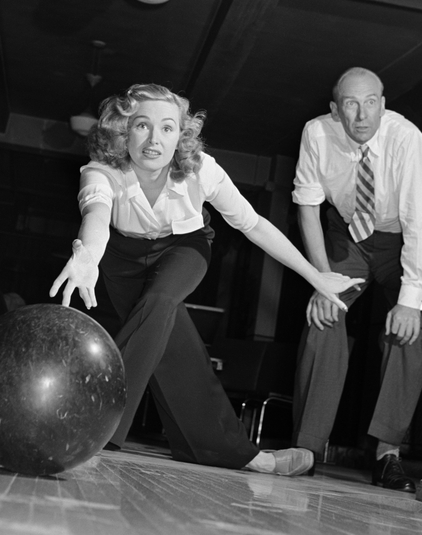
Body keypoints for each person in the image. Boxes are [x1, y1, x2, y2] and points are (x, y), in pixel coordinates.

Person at [50, 83, 363, 476]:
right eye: (142, 125)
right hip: (120, 260)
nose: (154, 139)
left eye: (167, 128)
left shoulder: (200, 169)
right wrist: (87, 255)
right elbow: (96, 216)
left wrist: (316, 276)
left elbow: (254, 225)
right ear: (122, 131)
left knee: (160, 301)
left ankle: (89, 425)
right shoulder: (101, 172)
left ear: (181, 134)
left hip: (185, 249)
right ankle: (235, 452)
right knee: (170, 342)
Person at [291, 67, 422, 492]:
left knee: (408, 331)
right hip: (347, 236)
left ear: (383, 104)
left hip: (402, 242)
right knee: (323, 316)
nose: (362, 115)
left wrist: (410, 300)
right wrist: (322, 281)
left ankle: (387, 454)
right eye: (351, 104)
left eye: (371, 102)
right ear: (335, 110)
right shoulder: (316, 134)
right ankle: (307, 447)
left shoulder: (406, 140)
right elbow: (308, 207)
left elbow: (419, 223)